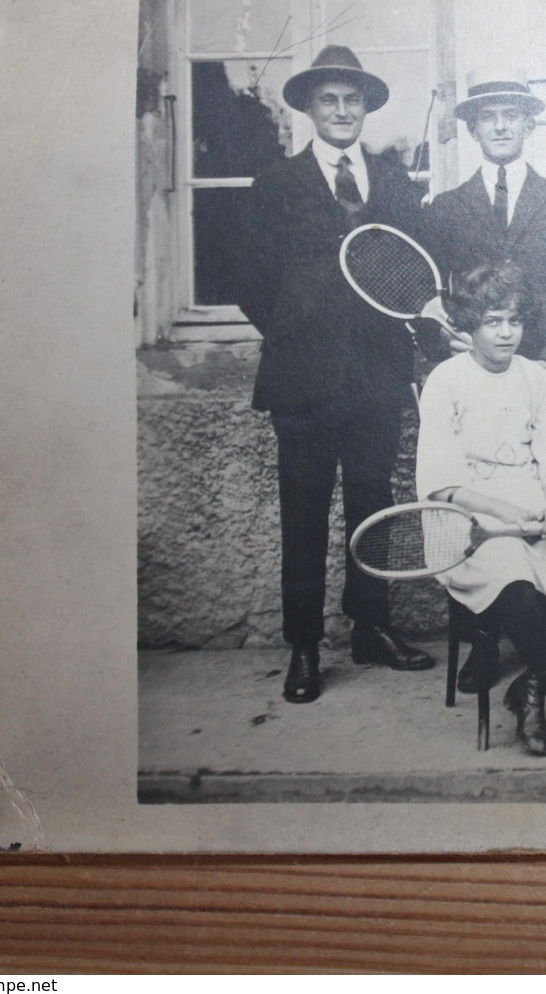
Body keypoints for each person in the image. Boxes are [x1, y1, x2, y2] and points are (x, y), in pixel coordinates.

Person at [230, 45, 436, 706]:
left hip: (377, 379)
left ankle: (371, 628)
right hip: (303, 385)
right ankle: (304, 647)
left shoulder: (393, 181)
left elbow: (411, 272)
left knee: (373, 507)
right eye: (329, 100)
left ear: (366, 109)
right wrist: (294, 335)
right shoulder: (276, 184)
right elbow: (250, 281)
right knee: (304, 514)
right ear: (310, 109)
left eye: (352, 100)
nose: (342, 111)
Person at [420, 67, 546, 694]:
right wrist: (450, 339)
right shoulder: (444, 209)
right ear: (471, 127)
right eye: (487, 115)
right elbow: (432, 304)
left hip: (541, 383)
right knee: (478, 527)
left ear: (529, 124)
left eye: (512, 114)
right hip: (476, 381)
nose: (500, 125)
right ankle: (483, 643)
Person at [415, 266, 546, 757]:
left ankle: (528, 687)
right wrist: (506, 514)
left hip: (531, 499)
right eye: (493, 321)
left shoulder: (535, 377)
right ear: (469, 325)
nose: (507, 333)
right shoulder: (445, 380)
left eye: (515, 321)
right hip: (466, 513)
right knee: (511, 571)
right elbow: (443, 484)